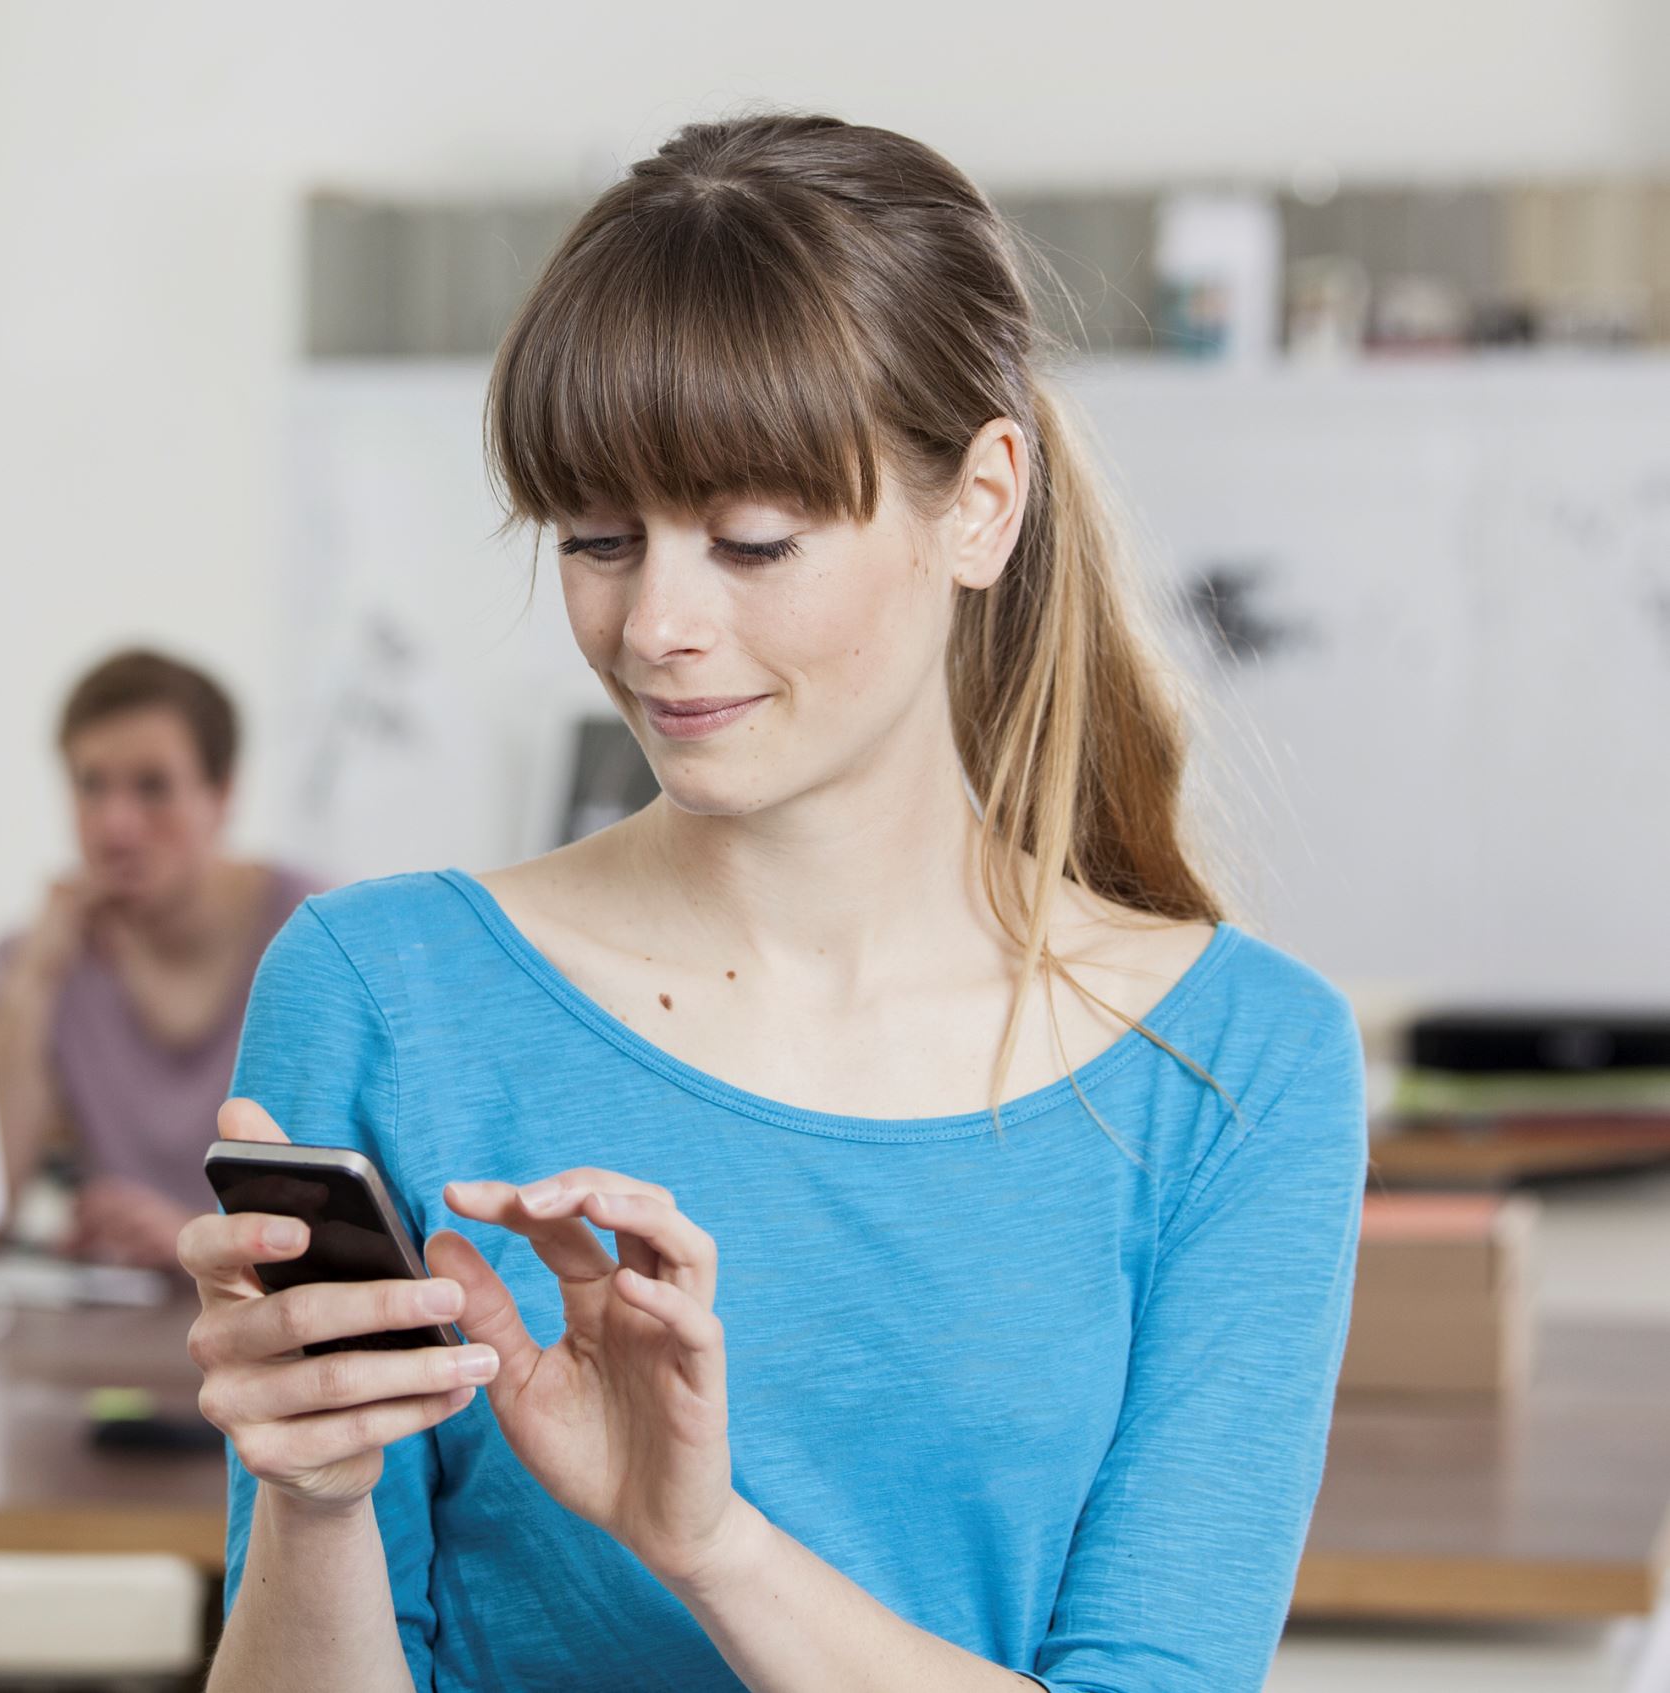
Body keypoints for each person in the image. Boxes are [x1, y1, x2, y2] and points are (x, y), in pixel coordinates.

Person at [179, 113, 1367, 1693]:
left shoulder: (1241, 1065)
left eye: (753, 540)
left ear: (981, 504)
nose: (657, 623)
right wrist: (314, 1500)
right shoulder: (381, 990)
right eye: (599, 538)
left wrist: (710, 1543)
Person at [0, 648, 329, 1270]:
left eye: (153, 788)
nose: (115, 825)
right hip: (114, 1337)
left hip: (273, 1333)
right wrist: (33, 981)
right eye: (91, 786)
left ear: (221, 795)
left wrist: (193, 1237)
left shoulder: (320, 939)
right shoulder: (36, 956)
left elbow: (367, 1217)